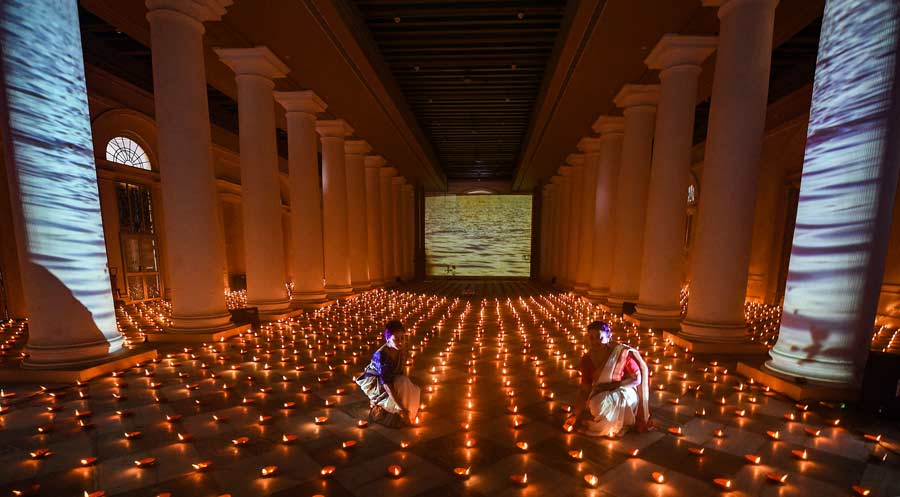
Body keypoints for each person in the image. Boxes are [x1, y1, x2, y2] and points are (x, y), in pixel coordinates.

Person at [564, 320, 651, 436]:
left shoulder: (619, 353)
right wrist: (575, 415)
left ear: (609, 337)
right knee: (596, 404)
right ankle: (618, 424)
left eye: (600, 338)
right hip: (602, 391)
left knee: (614, 401)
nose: (596, 341)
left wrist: (614, 385)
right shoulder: (587, 359)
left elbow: (636, 379)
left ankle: (613, 426)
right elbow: (585, 389)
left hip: (624, 390)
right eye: (592, 338)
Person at [356, 320, 421, 428]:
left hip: (392, 377)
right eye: (396, 339)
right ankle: (394, 413)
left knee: (412, 389)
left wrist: (405, 385)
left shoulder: (402, 348)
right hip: (375, 382)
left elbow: (400, 371)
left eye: (402, 338)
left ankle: (406, 415)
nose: (400, 342)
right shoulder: (382, 355)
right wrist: (401, 408)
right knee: (402, 387)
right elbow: (386, 383)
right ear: (388, 340)